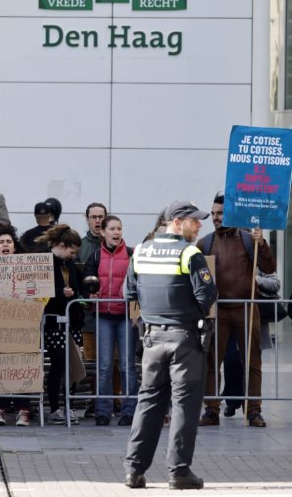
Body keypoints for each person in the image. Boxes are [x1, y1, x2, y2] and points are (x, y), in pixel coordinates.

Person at [123, 200, 217, 490]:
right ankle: (178, 472)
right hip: (184, 340)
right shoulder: (189, 252)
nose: (200, 225)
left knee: (148, 403)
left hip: (152, 339)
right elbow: (207, 295)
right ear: (177, 222)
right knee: (185, 407)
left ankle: (134, 471)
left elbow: (129, 292)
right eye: (194, 221)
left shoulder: (140, 251)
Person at [197, 192, 274, 428]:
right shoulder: (205, 242)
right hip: (218, 311)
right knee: (212, 362)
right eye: (213, 214)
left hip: (246, 308)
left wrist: (261, 244)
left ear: (231, 213)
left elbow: (269, 267)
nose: (216, 217)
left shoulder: (249, 239)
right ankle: (211, 410)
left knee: (253, 362)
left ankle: (254, 410)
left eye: (220, 213)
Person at [83, 215, 137, 427]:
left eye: (119, 229)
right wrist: (90, 297)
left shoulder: (133, 255)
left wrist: (135, 314)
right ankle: (102, 411)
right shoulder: (95, 257)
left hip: (125, 318)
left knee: (127, 366)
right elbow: (86, 284)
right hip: (104, 317)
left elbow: (138, 286)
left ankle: (129, 411)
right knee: (104, 366)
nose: (116, 233)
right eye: (112, 229)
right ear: (103, 232)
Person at [0, 223, 32, 427]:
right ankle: (0, 410)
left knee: (23, 366)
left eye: (8, 242)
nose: (5, 245)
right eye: (1, 242)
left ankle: (23, 411)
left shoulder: (25, 268)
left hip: (22, 324)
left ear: (14, 247)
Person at [38, 224, 84, 424]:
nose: (73, 256)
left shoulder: (69, 264)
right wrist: (59, 292)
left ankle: (70, 405)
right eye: (72, 251)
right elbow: (39, 289)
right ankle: (56, 408)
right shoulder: (45, 262)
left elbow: (77, 286)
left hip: (71, 322)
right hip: (54, 322)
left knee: (73, 365)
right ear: (63, 245)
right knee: (58, 365)